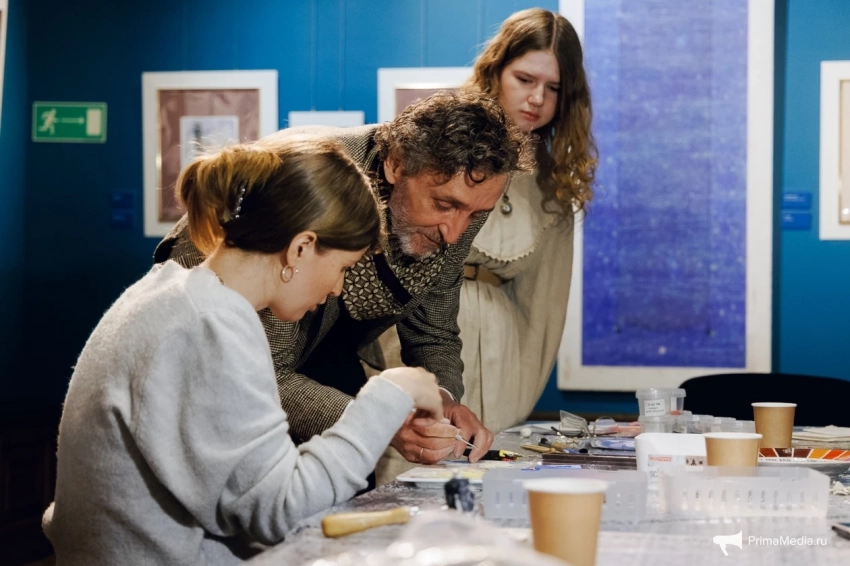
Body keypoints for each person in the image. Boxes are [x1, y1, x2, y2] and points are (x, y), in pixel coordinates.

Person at [43, 136, 445, 565]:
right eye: (343, 268)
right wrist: (391, 391)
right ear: (301, 248)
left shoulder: (169, 295)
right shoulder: (211, 325)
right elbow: (280, 508)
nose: (336, 288)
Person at [155, 91, 533, 470]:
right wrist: (379, 421)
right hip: (228, 354)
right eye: (443, 205)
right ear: (396, 164)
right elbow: (263, 375)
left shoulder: (465, 198)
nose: (454, 235)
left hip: (320, 340)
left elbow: (434, 329)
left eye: (475, 215)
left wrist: (442, 399)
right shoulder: (310, 187)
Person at [458, 8, 597, 431]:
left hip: (502, 358)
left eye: (553, 88)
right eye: (525, 79)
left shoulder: (554, 183)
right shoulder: (439, 145)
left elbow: (543, 312)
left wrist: (519, 399)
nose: (537, 98)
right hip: (417, 345)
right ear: (495, 72)